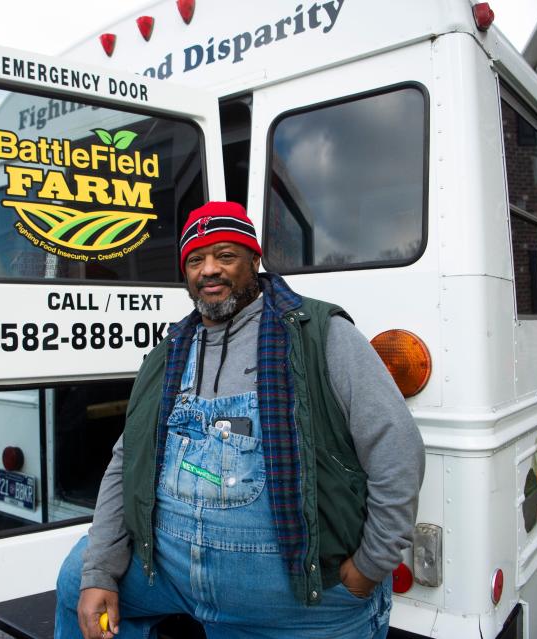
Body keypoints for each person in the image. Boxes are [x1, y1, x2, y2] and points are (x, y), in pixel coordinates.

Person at [55, 201, 425, 639]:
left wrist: (370, 566)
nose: (209, 270)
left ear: (254, 260)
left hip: (294, 597)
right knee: (75, 576)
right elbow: (126, 461)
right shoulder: (169, 353)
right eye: (196, 260)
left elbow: (396, 448)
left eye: (225, 256)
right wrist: (100, 572)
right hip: (172, 574)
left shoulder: (318, 334)